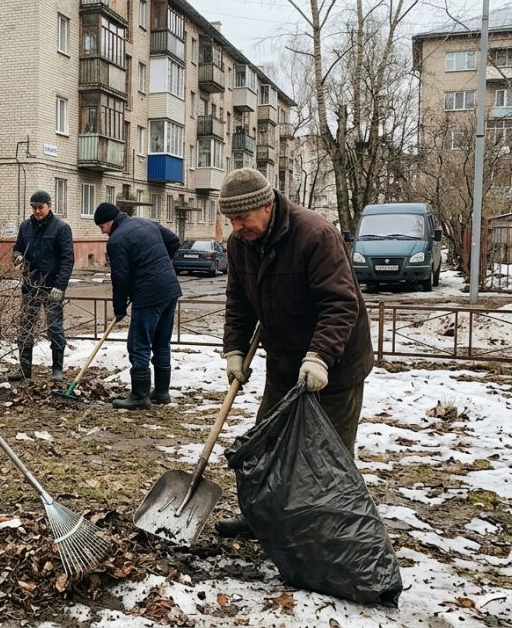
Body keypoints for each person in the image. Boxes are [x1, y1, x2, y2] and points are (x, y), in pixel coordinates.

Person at [214, 168, 373, 538]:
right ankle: (263, 517)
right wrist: (235, 349)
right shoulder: (240, 245)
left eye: (243, 218)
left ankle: (329, 531)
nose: (237, 227)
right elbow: (238, 301)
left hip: (335, 363)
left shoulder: (314, 234)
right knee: (266, 444)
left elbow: (340, 303)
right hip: (284, 360)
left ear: (267, 206)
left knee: (328, 455)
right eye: (231, 219)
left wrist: (319, 356)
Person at [93, 202, 182, 410]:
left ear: (109, 221)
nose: (103, 232)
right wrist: (159, 264)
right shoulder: (146, 222)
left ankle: (140, 396)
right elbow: (174, 241)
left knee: (139, 343)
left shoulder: (116, 240)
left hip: (148, 295)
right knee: (161, 341)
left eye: (101, 227)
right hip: (170, 290)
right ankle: (161, 392)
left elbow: (120, 278)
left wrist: (119, 308)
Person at [8, 190, 75, 382]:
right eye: (34, 207)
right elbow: (18, 247)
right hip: (30, 286)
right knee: (25, 328)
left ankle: (57, 369)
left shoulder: (61, 228)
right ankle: (24, 369)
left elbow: (67, 259)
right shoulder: (25, 227)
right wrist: (17, 256)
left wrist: (60, 286)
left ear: (49, 206)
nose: (37, 211)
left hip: (52, 288)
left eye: (41, 207)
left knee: (54, 328)